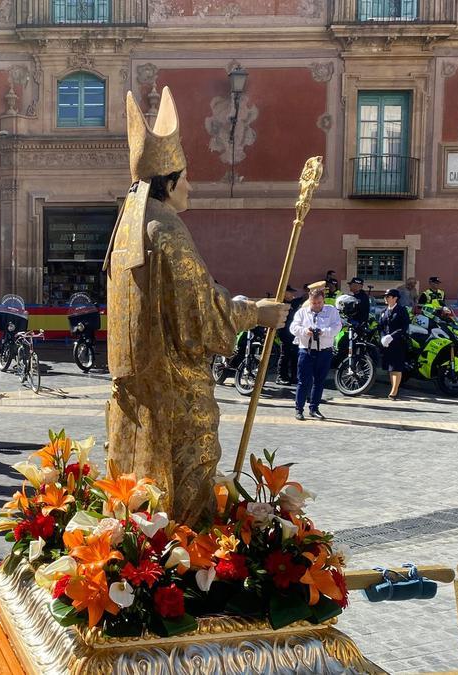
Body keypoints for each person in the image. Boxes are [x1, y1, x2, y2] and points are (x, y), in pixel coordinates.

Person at [103, 87, 288, 524]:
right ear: (167, 182)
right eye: (184, 176)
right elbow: (200, 313)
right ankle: (183, 568)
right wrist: (256, 314)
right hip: (175, 397)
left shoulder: (125, 230)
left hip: (134, 396)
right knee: (183, 503)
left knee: (140, 498)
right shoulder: (165, 229)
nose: (191, 184)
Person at [290, 286, 341, 421]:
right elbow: (293, 327)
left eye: (319, 302)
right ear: (310, 301)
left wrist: (323, 331)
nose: (316, 305)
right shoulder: (302, 312)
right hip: (306, 350)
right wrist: (305, 331)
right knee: (303, 381)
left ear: (323, 300)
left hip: (324, 351)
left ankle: (314, 408)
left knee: (319, 381)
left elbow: (337, 327)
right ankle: (299, 409)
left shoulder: (331, 311)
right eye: (314, 303)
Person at [378, 288, 410, 400]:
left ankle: (394, 391)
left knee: (397, 367)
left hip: (398, 342)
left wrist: (392, 336)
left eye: (388, 296)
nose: (386, 298)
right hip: (387, 343)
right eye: (385, 296)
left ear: (395, 298)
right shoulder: (383, 312)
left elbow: (404, 327)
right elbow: (380, 327)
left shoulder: (402, 310)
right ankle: (393, 388)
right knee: (391, 368)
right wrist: (383, 337)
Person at [276, 285, 303, 386]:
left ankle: (294, 376)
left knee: (295, 355)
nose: (292, 294)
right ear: (284, 293)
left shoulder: (293, 302)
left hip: (293, 333)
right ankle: (281, 376)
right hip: (284, 332)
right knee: (285, 355)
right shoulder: (279, 304)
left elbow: (302, 299)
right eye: (290, 292)